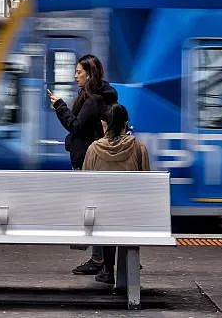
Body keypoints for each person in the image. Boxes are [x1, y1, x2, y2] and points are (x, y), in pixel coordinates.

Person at [47, 54, 118, 276]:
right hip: (90, 158)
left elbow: (76, 126)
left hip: (89, 161)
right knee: (94, 210)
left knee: (94, 210)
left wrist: (59, 106)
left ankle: (99, 259)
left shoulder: (93, 100)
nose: (75, 75)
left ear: (89, 74)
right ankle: (100, 258)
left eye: (79, 72)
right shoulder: (92, 96)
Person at [82, 103, 151, 284]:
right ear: (125, 124)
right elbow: (146, 183)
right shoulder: (138, 148)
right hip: (131, 214)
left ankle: (106, 269)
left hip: (102, 215)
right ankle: (128, 267)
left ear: (105, 124)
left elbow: (84, 184)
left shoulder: (94, 149)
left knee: (104, 213)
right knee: (126, 212)